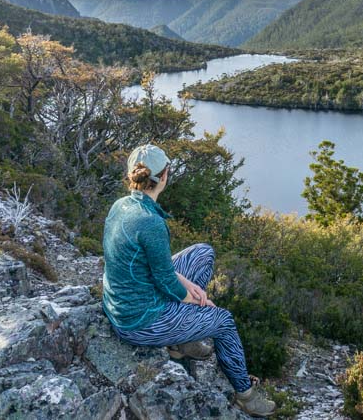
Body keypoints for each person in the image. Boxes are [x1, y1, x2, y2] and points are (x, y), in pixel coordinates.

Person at [102, 143, 276, 417]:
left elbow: (158, 268)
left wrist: (188, 284)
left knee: (202, 253)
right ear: (165, 176)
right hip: (139, 322)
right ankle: (245, 395)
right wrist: (196, 301)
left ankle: (180, 343)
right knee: (223, 321)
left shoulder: (121, 206)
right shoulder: (150, 222)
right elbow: (165, 281)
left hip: (126, 301)